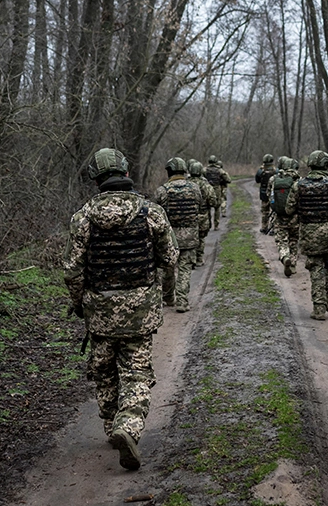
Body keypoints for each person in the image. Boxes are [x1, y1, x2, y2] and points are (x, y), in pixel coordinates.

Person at [63, 148, 178, 471]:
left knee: (103, 369)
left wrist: (79, 305)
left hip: (100, 311)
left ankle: (112, 422)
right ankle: (127, 426)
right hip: (140, 311)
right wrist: (166, 294)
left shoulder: (83, 217)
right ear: (126, 173)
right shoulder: (151, 212)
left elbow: (72, 272)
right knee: (136, 372)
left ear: (96, 179)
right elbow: (170, 259)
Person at [284, 149, 328, 319]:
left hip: (309, 234)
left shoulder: (298, 185)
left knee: (315, 268)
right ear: (326, 165)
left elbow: (288, 209)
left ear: (310, 165)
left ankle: (319, 309)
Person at [153, 157, 205, 312]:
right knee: (185, 269)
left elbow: (156, 215)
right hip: (190, 236)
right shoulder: (195, 188)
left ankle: (168, 298)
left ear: (169, 171)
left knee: (168, 268)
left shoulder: (162, 191)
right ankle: (182, 301)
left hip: (169, 238)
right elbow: (199, 208)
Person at [268, 156, 301, 277]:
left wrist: (275, 208)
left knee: (282, 241)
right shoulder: (298, 179)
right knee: (294, 240)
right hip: (295, 217)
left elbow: (270, 196)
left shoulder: (274, 179)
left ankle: (284, 256)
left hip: (279, 216)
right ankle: (292, 265)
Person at [188, 158, 219, 264]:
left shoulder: (186, 183)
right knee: (201, 237)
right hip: (202, 215)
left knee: (190, 237)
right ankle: (199, 258)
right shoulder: (205, 185)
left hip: (188, 215)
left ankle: (191, 258)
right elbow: (213, 201)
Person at [204, 155, 232, 224]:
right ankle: (216, 224)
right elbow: (228, 180)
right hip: (217, 189)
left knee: (207, 206)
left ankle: (208, 223)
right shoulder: (220, 170)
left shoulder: (204, 170)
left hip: (207, 189)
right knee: (217, 207)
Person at [254, 154, 277, 233]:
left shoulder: (260, 171)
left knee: (265, 212)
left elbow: (257, 180)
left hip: (264, 193)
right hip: (273, 193)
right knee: (274, 211)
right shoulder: (276, 170)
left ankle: (264, 227)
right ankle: (273, 229)